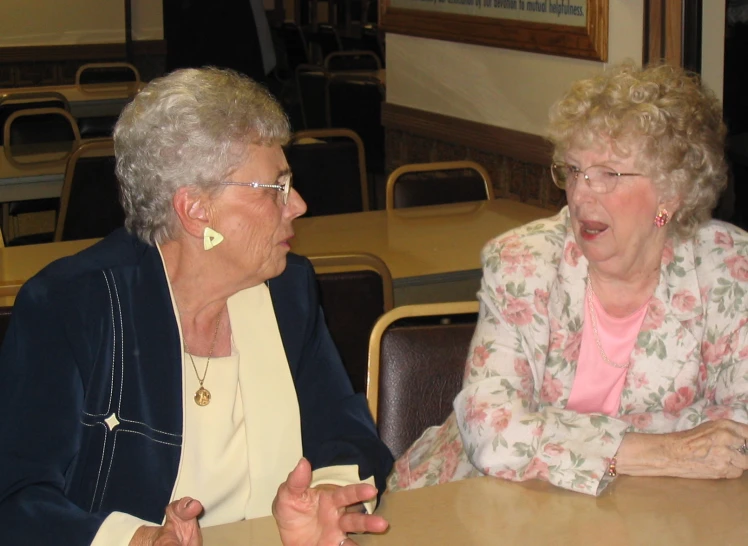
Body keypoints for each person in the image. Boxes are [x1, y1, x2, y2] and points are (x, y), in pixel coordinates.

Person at [0, 67, 393, 545]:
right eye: (278, 189)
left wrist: (329, 494)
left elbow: (342, 423)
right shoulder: (71, 307)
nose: (299, 206)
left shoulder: (288, 289)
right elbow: (18, 498)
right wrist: (132, 540)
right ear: (195, 210)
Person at [388, 62, 748, 496]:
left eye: (608, 174)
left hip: (649, 512)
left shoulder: (728, 267)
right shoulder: (524, 262)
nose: (579, 195)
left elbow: (735, 431)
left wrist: (549, 427)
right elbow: (490, 431)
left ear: (672, 193)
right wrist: (660, 451)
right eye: (574, 170)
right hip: (482, 502)